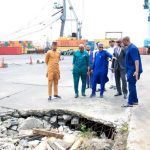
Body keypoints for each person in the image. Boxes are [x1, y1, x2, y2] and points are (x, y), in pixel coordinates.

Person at [122, 36, 143, 107]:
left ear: (126, 40)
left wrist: (136, 72)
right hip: (130, 70)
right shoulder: (129, 48)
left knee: (131, 86)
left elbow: (136, 60)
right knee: (132, 85)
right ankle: (135, 100)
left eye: (123, 41)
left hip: (133, 70)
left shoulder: (133, 48)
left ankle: (130, 102)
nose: (122, 43)